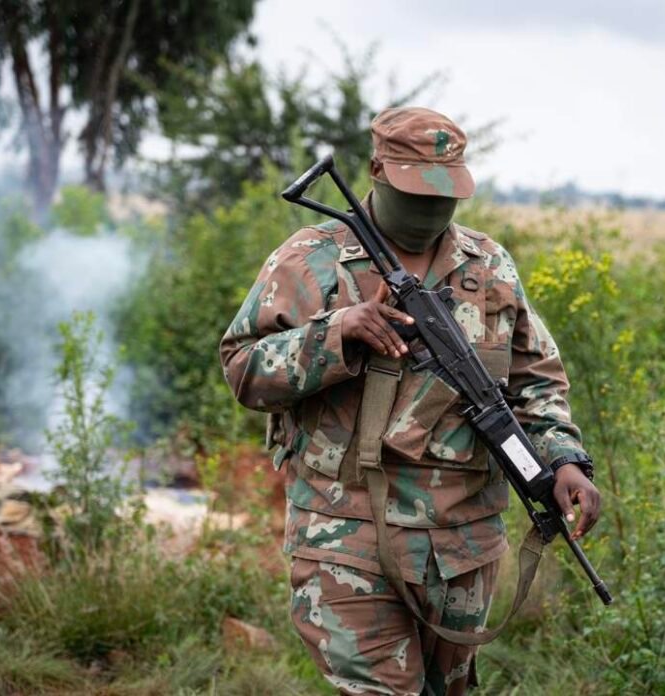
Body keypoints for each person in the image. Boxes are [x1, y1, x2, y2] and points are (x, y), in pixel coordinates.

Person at [220, 106, 601, 696]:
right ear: (375, 171)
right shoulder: (312, 257)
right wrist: (336, 332)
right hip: (345, 539)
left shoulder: (489, 266)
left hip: (462, 547)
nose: (431, 208)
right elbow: (243, 368)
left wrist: (565, 460)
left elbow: (536, 381)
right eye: (417, 192)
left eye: (445, 195)